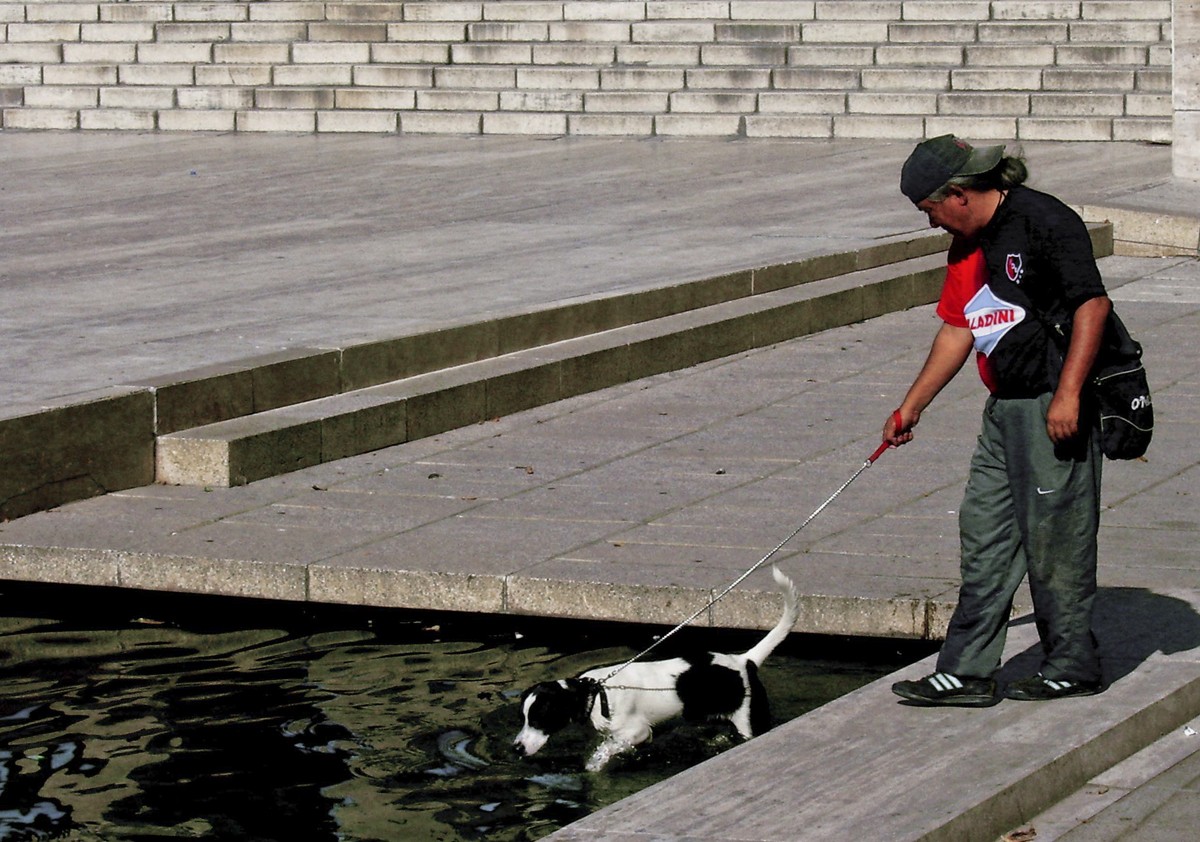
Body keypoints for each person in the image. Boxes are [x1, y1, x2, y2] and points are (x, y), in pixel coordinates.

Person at [886, 135, 1111, 706]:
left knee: (1055, 538)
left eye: (929, 210)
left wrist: (1068, 395)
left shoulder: (1043, 220)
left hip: (1050, 404)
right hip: (1003, 409)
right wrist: (912, 405)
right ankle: (965, 671)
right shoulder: (966, 247)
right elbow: (959, 328)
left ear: (956, 194)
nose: (930, 222)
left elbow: (1093, 306)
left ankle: (1072, 664)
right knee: (984, 532)